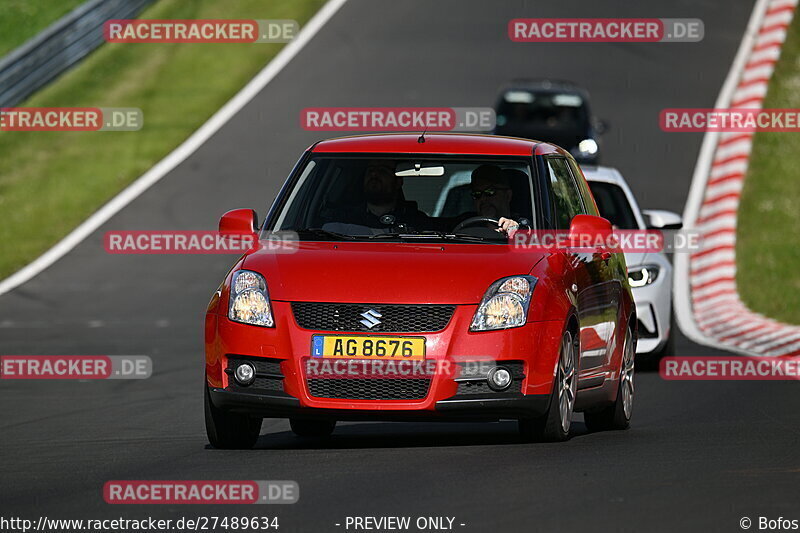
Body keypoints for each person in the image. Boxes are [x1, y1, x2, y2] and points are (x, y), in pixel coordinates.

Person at [336, 160, 431, 230]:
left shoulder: (417, 222)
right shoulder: (342, 220)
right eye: (370, 170)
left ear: (398, 182)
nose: (374, 174)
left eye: (382, 171)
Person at [469, 164, 522, 234]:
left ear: (508, 195)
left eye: (490, 191)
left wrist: (515, 230)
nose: (483, 198)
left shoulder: (522, 225)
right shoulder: (465, 225)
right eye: (477, 194)